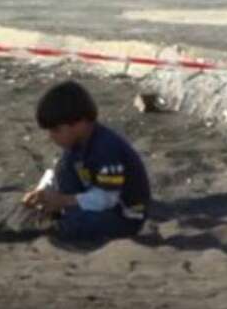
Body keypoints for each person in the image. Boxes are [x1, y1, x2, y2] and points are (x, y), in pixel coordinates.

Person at [21, 81, 151, 246]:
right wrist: (41, 192)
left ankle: (64, 221)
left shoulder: (106, 149)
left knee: (78, 225)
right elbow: (58, 171)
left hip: (123, 216)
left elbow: (108, 198)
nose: (51, 137)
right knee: (64, 169)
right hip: (93, 198)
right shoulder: (77, 144)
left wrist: (63, 200)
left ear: (79, 123)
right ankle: (62, 215)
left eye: (56, 130)